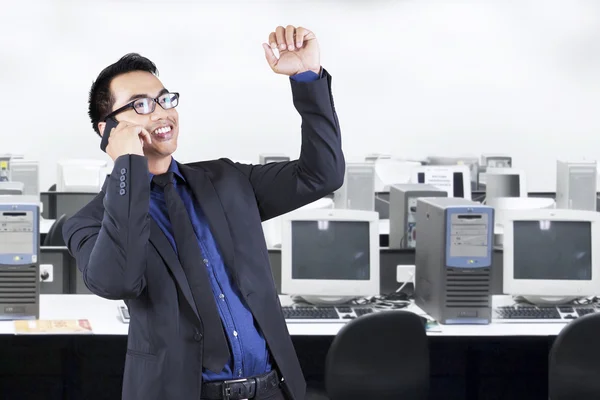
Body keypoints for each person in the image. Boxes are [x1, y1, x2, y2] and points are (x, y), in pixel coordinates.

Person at [63, 25, 344, 400]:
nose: (162, 112)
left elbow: (321, 175)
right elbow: (119, 281)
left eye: (165, 100)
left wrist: (306, 78)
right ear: (108, 130)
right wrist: (127, 166)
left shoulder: (226, 180)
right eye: (141, 105)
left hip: (272, 390)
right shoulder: (87, 222)